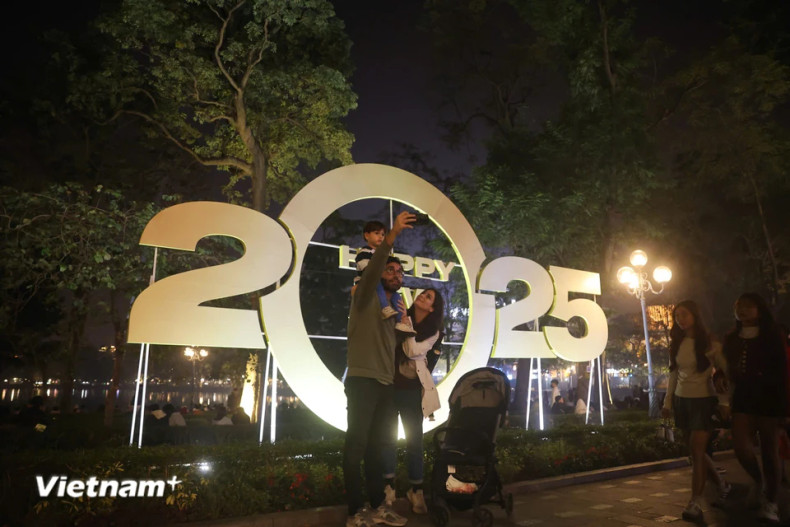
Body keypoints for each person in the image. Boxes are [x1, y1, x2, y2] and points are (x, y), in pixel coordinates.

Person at [343, 210, 414, 527]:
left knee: (376, 449)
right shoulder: (364, 296)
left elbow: (402, 350)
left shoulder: (393, 308)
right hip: (362, 380)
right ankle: (354, 512)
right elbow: (372, 270)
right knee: (357, 445)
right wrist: (393, 234)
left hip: (386, 384)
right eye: (391, 269)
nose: (397, 273)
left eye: (400, 271)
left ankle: (376, 506)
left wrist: (406, 322)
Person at [660, 300, 731, 521]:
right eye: (677, 315)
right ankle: (722, 484)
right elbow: (673, 374)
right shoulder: (677, 341)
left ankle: (696, 503)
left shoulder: (708, 341)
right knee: (694, 453)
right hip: (682, 401)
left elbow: (724, 371)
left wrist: (724, 402)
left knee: (698, 452)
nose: (680, 319)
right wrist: (667, 402)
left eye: (684, 314)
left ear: (695, 315)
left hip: (703, 401)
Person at [719, 293, 787, 523]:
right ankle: (757, 481)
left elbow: (781, 371)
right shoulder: (731, 338)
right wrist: (720, 375)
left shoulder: (772, 335)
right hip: (743, 398)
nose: (742, 310)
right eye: (738, 306)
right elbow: (724, 366)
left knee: (770, 452)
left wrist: (784, 407)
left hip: (768, 398)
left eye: (748, 306)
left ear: (759, 309)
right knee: (741, 447)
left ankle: (771, 501)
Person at [382, 288, 445, 514]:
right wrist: (402, 321)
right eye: (423, 293)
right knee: (387, 438)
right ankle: (388, 488)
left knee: (414, 441)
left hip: (412, 390)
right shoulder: (400, 314)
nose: (423, 296)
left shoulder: (433, 331)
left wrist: (407, 326)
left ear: (432, 308)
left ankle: (416, 490)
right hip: (389, 386)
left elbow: (411, 351)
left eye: (429, 297)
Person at [354, 220, 414, 335]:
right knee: (378, 286)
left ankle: (401, 321)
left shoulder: (381, 254)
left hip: (377, 282)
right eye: (376, 233)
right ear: (366, 235)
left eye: (383, 234)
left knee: (396, 296)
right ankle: (385, 307)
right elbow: (368, 271)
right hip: (366, 283)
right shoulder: (364, 252)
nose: (380, 237)